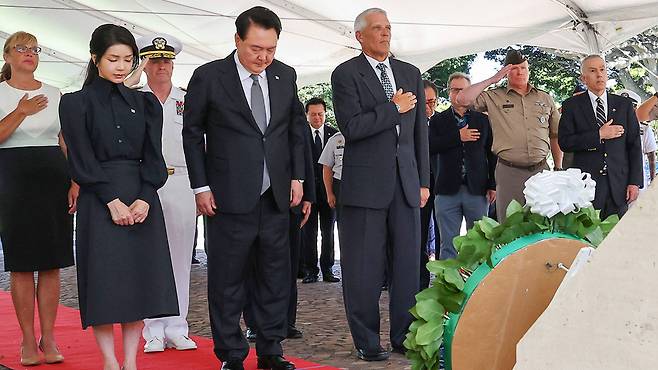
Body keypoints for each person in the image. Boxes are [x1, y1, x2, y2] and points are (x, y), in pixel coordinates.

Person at [182, 6, 305, 370]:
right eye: (255, 49)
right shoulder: (209, 76)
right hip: (225, 196)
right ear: (237, 40)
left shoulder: (285, 75)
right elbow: (192, 134)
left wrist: (297, 177)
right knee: (227, 279)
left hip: (275, 196)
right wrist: (200, 186)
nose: (263, 57)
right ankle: (232, 354)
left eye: (270, 49)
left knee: (274, 277)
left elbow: (295, 130)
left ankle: (270, 349)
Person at [59, 24, 179, 370]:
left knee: (140, 283)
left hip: (141, 195)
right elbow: (81, 159)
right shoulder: (75, 103)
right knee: (105, 283)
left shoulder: (146, 103)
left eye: (128, 59)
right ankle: (110, 362)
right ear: (95, 58)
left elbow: (154, 158)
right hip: (99, 198)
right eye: (113, 58)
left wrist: (144, 197)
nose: (122, 66)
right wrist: (111, 200)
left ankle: (131, 362)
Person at [330, 8, 430, 361]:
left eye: (388, 28)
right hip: (364, 187)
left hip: (406, 184)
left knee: (407, 267)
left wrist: (424, 181)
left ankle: (403, 336)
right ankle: (367, 341)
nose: (385, 34)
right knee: (363, 269)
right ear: (360, 36)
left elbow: (420, 133)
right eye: (377, 29)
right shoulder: (345, 74)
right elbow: (353, 127)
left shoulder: (409, 72)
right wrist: (392, 107)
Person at [0, 31, 75, 366]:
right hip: (12, 181)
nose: (29, 53)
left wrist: (74, 180)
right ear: (7, 56)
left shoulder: (55, 93)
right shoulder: (1, 93)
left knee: (51, 263)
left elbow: (63, 139)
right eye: (21, 48)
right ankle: (27, 340)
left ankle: (50, 336)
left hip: (53, 180)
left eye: (34, 49)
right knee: (20, 264)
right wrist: (21, 111)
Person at [127, 33, 198, 353]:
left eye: (167, 60)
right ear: (144, 63)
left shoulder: (188, 100)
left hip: (182, 181)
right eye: (155, 60)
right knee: (148, 257)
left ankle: (177, 325)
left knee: (181, 259)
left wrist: (201, 188)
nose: (162, 66)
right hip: (144, 184)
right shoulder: (133, 100)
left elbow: (202, 145)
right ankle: (152, 329)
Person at [456, 49, 563, 221]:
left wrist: (558, 168)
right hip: (509, 171)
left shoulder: (544, 97)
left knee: (544, 222)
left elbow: (555, 134)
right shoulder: (494, 96)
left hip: (541, 170)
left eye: (524, 68)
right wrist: (493, 79)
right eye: (514, 68)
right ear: (506, 72)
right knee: (510, 224)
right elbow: (462, 99)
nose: (520, 72)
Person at [245, 123, 315, 343]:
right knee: (254, 265)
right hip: (252, 198)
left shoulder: (292, 115)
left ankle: (286, 320)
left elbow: (305, 156)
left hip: (289, 201)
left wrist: (309, 196)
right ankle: (255, 323)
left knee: (289, 265)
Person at [558, 55, 642, 219]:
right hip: (586, 186)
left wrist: (634, 182)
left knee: (616, 238)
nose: (599, 74)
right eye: (593, 70)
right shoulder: (571, 106)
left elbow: (634, 145)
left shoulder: (623, 105)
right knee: (589, 238)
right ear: (584, 78)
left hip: (619, 185)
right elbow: (565, 142)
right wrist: (598, 135)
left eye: (602, 69)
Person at [430, 72, 496, 260]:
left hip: (477, 190)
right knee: (448, 244)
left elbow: (491, 154)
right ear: (449, 93)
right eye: (456, 89)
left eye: (464, 89)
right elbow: (429, 147)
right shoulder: (438, 120)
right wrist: (457, 137)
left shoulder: (482, 120)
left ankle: (475, 285)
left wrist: (493, 185)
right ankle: (448, 285)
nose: (460, 93)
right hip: (446, 190)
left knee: (478, 242)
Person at [301, 97, 339, 284]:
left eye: (320, 114)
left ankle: (328, 268)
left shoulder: (334, 135)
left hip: (328, 191)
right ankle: (310, 270)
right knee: (309, 232)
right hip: (307, 192)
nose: (317, 118)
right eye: (313, 114)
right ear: (307, 115)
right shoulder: (300, 135)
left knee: (328, 231)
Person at [420, 79, 439, 288]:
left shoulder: (442, 122)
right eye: (425, 102)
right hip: (418, 186)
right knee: (420, 235)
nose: (429, 107)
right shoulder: (408, 123)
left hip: (441, 184)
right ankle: (420, 282)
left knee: (443, 237)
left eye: (432, 102)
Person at [619, 89, 657, 190]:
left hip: (636, 183)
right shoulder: (605, 127)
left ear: (636, 108)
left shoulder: (644, 129)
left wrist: (653, 181)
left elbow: (651, 155)